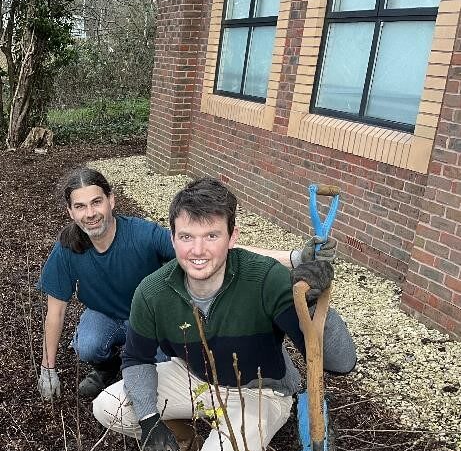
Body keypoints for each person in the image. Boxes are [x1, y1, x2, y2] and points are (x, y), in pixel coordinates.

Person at [92, 177, 357, 451]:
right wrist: (148, 419)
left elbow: (340, 362)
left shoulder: (265, 279)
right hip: (197, 378)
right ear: (172, 238)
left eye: (211, 236)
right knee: (110, 407)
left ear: (232, 237)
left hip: (261, 389)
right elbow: (136, 358)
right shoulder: (153, 292)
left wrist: (314, 300)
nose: (197, 251)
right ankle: (183, 447)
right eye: (186, 237)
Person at [36, 167, 334, 400]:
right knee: (88, 344)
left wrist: (295, 258)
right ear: (70, 211)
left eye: (97, 202)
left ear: (111, 200)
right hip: (106, 316)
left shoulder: (141, 235)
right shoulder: (68, 248)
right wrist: (48, 369)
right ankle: (107, 366)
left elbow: (210, 249)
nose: (90, 213)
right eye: (80, 206)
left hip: (151, 319)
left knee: (169, 363)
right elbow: (56, 311)